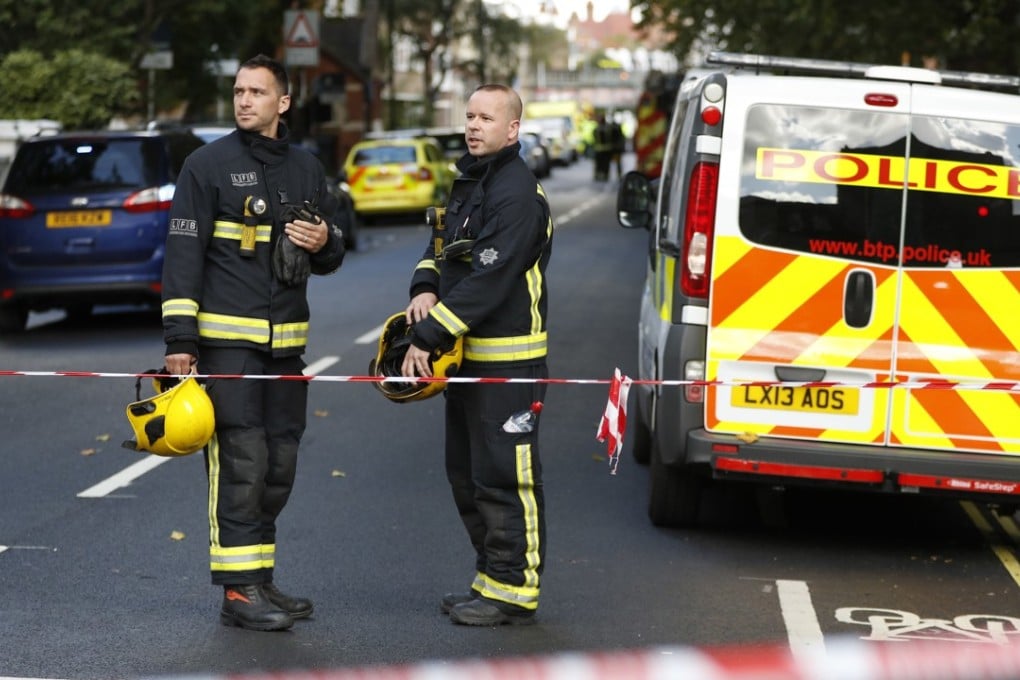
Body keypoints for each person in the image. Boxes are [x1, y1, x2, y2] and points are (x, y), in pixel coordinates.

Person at [161, 54, 346, 632]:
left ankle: (260, 578)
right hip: (227, 350)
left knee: (279, 466)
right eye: (238, 91)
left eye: (257, 92)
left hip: (287, 351)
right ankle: (238, 593)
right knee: (244, 465)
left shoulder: (307, 168)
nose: (244, 100)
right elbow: (183, 257)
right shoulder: (205, 166)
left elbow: (333, 254)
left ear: (283, 103)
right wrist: (180, 341)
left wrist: (323, 240)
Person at [402, 83, 554, 626]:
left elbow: (489, 278)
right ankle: (490, 580)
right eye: (469, 116)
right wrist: (423, 286)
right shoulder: (470, 183)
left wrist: (428, 336)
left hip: (509, 364)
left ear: (512, 128)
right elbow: (439, 248)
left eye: (486, 118)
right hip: (468, 362)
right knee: (466, 475)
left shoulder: (516, 193)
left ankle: (515, 588)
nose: (473, 126)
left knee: (506, 476)